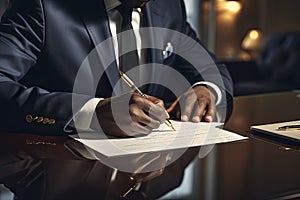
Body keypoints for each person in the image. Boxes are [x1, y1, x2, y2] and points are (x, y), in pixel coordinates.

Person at [0, 0, 233, 136]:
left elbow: (209, 66)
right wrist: (91, 114)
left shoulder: (169, 6)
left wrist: (207, 89)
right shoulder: (41, 5)